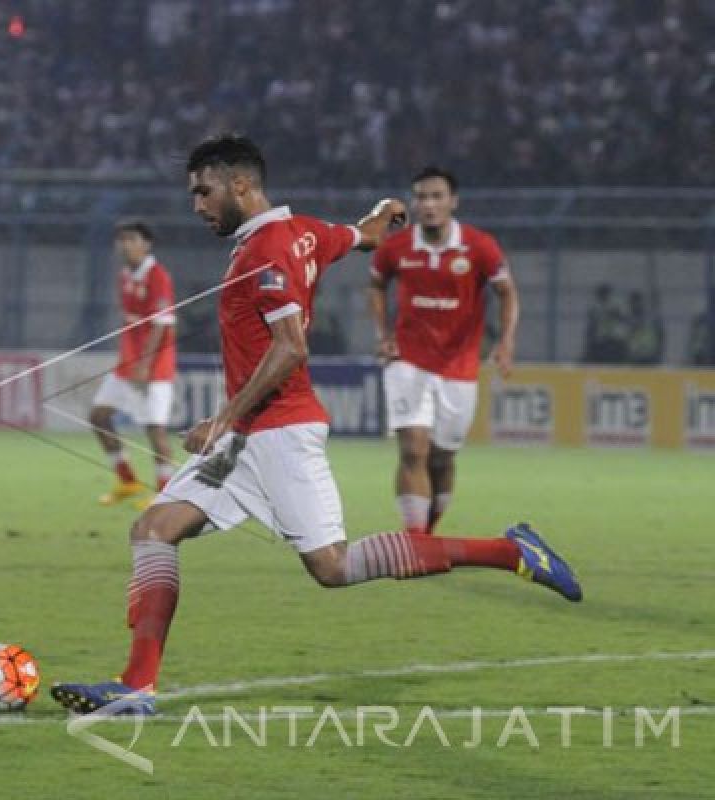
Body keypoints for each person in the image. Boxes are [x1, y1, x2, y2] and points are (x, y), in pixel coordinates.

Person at [50, 135, 581, 715]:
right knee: (153, 529)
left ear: (241, 186)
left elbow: (290, 348)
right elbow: (365, 236)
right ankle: (137, 687)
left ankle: (511, 552)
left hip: (279, 431)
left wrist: (222, 417)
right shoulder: (302, 231)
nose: (197, 206)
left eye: (204, 192)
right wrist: (384, 213)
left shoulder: (266, 251)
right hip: (247, 436)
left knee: (333, 567)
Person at [368, 166, 520, 536]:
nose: (428, 204)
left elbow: (507, 292)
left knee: (442, 459)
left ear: (453, 201)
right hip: (407, 361)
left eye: (437, 196)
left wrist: (505, 341)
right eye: (421, 197)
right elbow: (375, 284)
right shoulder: (397, 246)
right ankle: (415, 540)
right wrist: (383, 333)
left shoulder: (479, 246)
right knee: (413, 451)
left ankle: (428, 532)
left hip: (459, 367)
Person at [89, 220, 178, 507]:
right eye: (121, 239)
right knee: (99, 416)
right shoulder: (125, 275)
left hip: (154, 367)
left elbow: (161, 326)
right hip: (128, 364)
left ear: (146, 243)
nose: (124, 244)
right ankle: (127, 480)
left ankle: (165, 494)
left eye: (131, 238)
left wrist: (144, 364)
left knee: (155, 429)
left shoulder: (158, 276)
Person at [582, 284, 628, 364]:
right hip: (600, 341)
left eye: (605, 293)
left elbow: (622, 320)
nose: (604, 296)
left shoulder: (614, 306)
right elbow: (591, 325)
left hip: (613, 339)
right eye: (602, 294)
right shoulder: (595, 308)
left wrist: (615, 315)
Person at [626, 290, 664, 365]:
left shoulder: (651, 317)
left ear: (641, 302)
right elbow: (627, 338)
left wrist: (659, 352)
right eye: (632, 303)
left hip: (650, 354)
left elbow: (660, 335)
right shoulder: (628, 319)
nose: (634, 305)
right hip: (635, 356)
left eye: (636, 302)